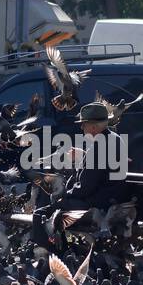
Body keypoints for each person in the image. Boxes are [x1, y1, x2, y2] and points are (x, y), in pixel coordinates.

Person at [30, 102, 131, 253]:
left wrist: (64, 194)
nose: (81, 128)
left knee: (40, 214)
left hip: (99, 204)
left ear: (93, 127)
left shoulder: (99, 147)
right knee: (55, 206)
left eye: (83, 124)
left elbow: (85, 186)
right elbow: (99, 172)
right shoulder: (114, 138)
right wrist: (83, 156)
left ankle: (51, 255)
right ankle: (61, 249)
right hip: (111, 197)